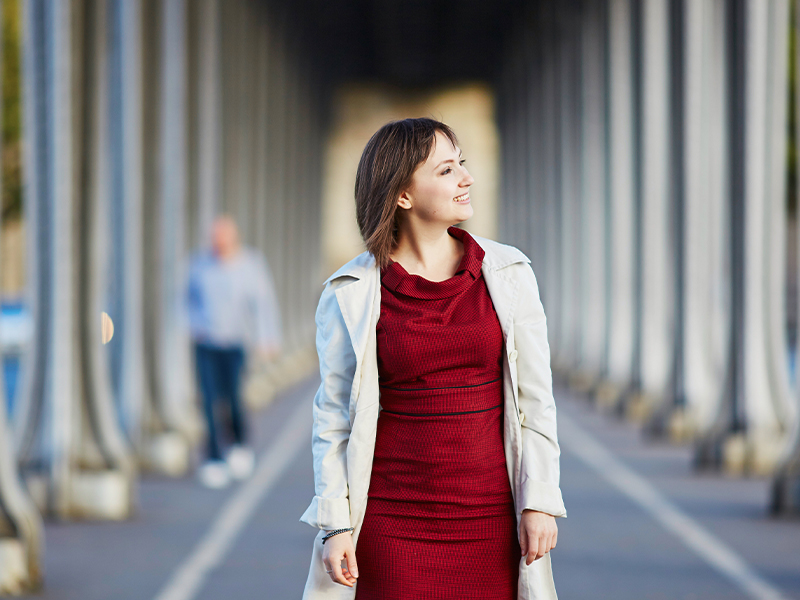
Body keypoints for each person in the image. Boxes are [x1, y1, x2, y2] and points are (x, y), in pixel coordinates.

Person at [300, 118, 566, 600]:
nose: (466, 178)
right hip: (392, 523)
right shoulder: (353, 292)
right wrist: (335, 524)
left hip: (493, 521)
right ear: (402, 195)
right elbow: (334, 418)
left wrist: (541, 501)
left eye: (462, 164)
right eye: (447, 170)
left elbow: (535, 402)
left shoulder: (507, 273)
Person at [186, 215, 281, 489]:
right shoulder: (199, 264)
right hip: (207, 343)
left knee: (234, 397)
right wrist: (195, 327)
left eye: (224, 237)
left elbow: (263, 304)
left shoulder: (251, 264)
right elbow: (187, 299)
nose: (219, 242)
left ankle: (239, 444)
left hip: (236, 343)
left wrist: (268, 338)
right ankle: (214, 458)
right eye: (215, 237)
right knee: (208, 400)